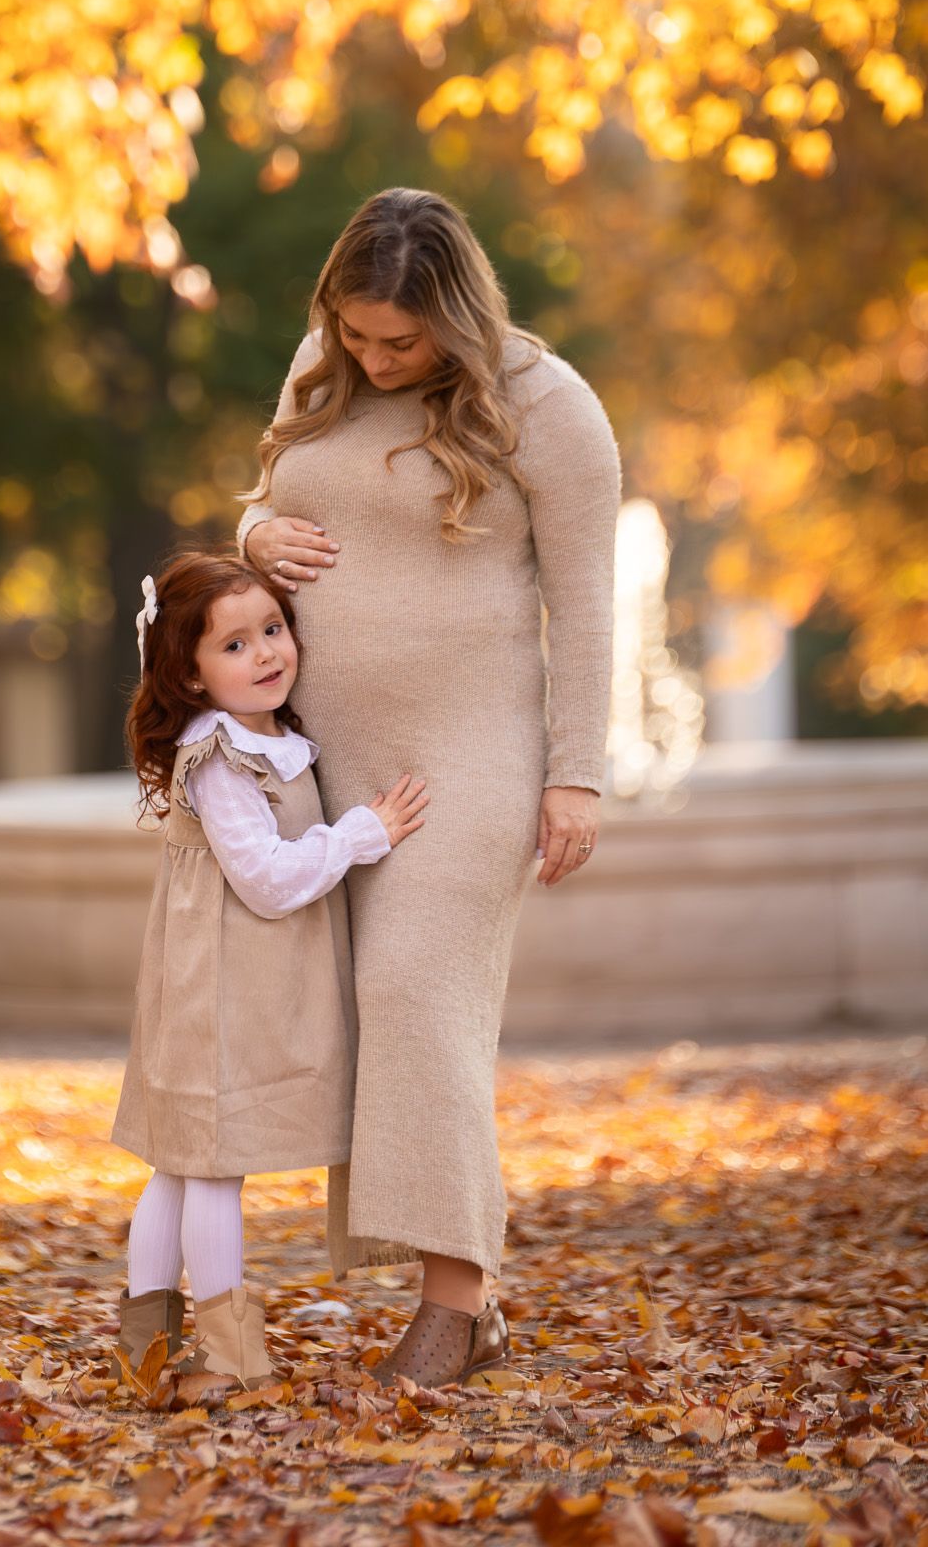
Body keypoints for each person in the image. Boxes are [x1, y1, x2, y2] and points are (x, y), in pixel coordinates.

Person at [238, 186, 622, 1390]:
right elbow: (264, 495)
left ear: (456, 316)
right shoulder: (324, 363)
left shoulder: (551, 409)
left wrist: (578, 777)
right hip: (324, 757)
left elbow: (590, 606)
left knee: (418, 991)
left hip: (470, 753)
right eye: (356, 335)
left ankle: (452, 1302)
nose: (373, 358)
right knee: (365, 1007)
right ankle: (475, 1296)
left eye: (400, 342)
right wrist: (253, 536)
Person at [110, 549, 429, 1387]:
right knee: (208, 1164)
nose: (266, 654)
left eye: (273, 630)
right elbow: (266, 877)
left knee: (183, 1164)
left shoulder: (269, 737)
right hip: (216, 991)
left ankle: (150, 1356)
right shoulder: (219, 759)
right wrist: (363, 832)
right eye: (235, 646)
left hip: (225, 982)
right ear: (187, 674)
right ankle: (224, 1356)